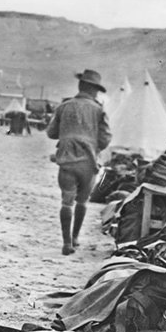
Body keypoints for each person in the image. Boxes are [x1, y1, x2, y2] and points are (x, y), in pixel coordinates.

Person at [46, 69, 111, 255]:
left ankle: (66, 243)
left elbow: (51, 133)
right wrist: (91, 143)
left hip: (66, 160)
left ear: (80, 86)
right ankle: (75, 238)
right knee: (82, 201)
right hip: (88, 163)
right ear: (93, 90)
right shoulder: (99, 110)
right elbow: (106, 138)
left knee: (67, 202)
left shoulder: (64, 106)